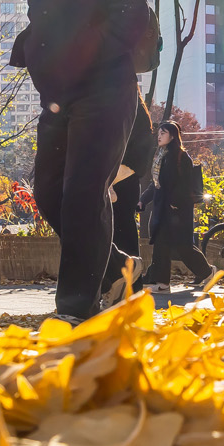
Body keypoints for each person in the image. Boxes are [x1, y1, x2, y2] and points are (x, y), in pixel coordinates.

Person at [10, 0, 157, 321]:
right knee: (50, 195)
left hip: (105, 89)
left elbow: (130, 15)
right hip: (60, 95)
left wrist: (88, 53)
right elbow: (43, 20)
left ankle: (76, 307)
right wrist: (36, 51)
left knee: (82, 195)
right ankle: (118, 267)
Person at [142, 122, 214, 291]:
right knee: (161, 244)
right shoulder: (162, 156)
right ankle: (162, 283)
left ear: (172, 136)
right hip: (164, 210)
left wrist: (175, 203)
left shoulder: (181, 157)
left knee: (183, 247)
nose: (159, 136)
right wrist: (143, 200)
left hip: (179, 211)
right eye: (159, 132)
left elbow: (184, 185)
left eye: (163, 133)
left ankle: (207, 272)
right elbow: (156, 184)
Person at [100, 90, 154, 302]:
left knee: (120, 229)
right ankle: (126, 282)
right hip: (121, 176)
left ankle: (129, 280)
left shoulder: (127, 107)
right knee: (121, 229)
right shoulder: (133, 108)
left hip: (122, 176)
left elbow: (139, 149)